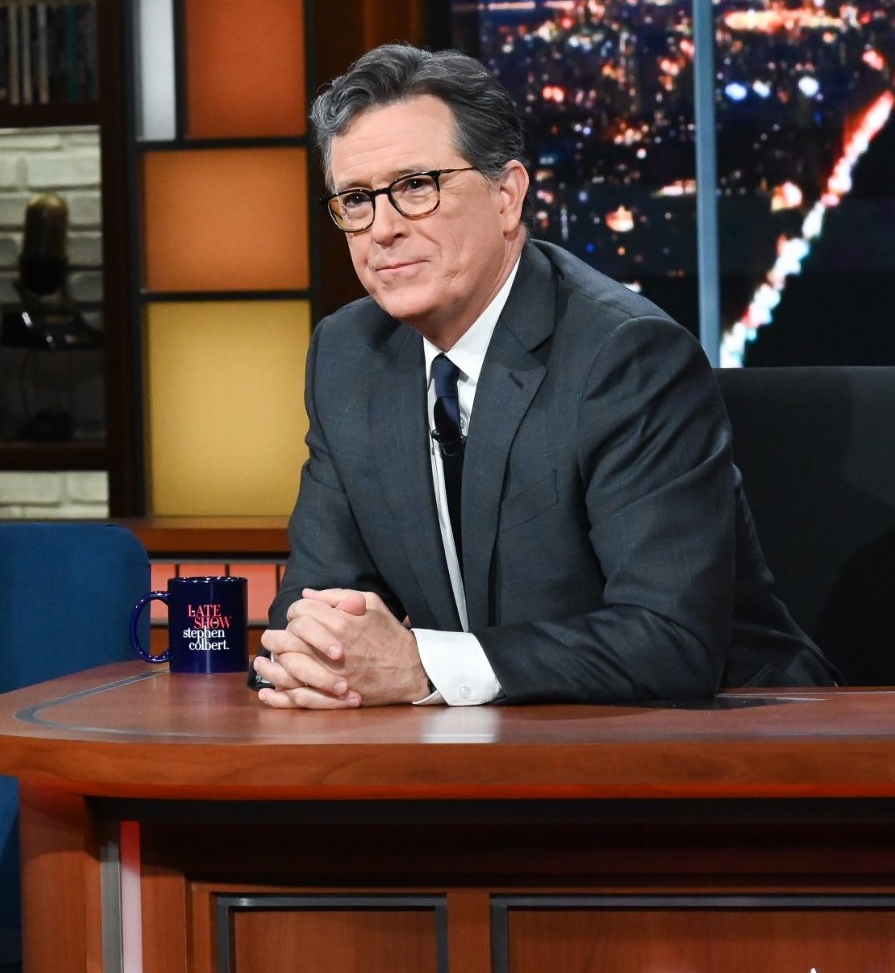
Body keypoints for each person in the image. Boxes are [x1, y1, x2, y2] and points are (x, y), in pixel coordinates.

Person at [256, 44, 837, 710]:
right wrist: (314, 656)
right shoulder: (349, 354)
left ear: (507, 196)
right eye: (356, 199)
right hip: (486, 750)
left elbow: (670, 640)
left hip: (724, 745)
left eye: (416, 187)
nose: (382, 228)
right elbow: (313, 615)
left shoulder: (626, 356)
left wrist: (422, 666)